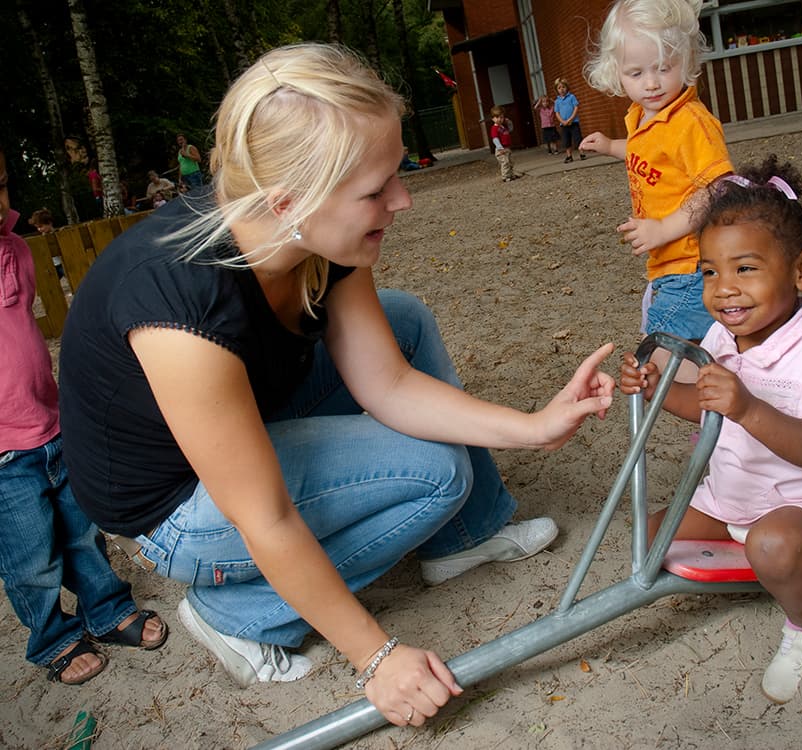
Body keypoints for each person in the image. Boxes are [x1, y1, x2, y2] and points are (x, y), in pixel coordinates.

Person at [59, 43, 615, 723]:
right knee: (435, 471)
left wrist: (532, 427)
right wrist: (376, 658)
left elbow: (388, 381)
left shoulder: (316, 239)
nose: (403, 199)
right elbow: (264, 515)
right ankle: (238, 614)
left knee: (401, 320)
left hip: (242, 424)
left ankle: (463, 536)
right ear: (289, 199)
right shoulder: (181, 308)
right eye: (376, 189)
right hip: (173, 509)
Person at [620, 157, 802, 704]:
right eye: (709, 271)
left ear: (801, 271)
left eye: (746, 269)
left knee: (774, 545)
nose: (725, 289)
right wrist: (657, 389)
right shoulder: (721, 337)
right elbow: (709, 409)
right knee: (650, 531)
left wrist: (748, 408)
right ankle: (766, 564)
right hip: (729, 499)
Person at [0, 146, 167, 687]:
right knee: (31, 560)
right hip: (2, 455)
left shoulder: (14, 252)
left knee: (81, 532)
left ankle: (107, 609)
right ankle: (54, 639)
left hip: (51, 425)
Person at [581, 0, 733, 353]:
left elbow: (719, 186)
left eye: (664, 68)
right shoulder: (641, 116)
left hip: (693, 264)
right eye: (636, 73)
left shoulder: (689, 122)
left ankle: (728, 396)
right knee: (668, 353)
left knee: (658, 354)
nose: (651, 83)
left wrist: (664, 228)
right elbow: (645, 152)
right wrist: (610, 146)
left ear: (688, 61)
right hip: (666, 267)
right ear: (616, 72)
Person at [553, 77, 584, 163]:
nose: (562, 89)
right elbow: (557, 113)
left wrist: (571, 118)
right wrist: (562, 121)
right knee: (566, 140)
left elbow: (576, 107)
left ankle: (582, 153)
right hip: (564, 124)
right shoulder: (557, 101)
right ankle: (569, 156)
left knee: (577, 138)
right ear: (557, 90)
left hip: (574, 122)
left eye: (563, 87)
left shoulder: (571, 97)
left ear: (567, 87)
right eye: (559, 88)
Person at [489, 105, 518, 182]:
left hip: (507, 148)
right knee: (505, 162)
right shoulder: (494, 128)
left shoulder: (503, 127)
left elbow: (511, 129)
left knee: (510, 162)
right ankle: (505, 176)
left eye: (501, 117)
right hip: (501, 149)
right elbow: (495, 139)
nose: (500, 119)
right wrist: (500, 148)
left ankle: (511, 174)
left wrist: (509, 122)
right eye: (497, 117)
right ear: (493, 119)